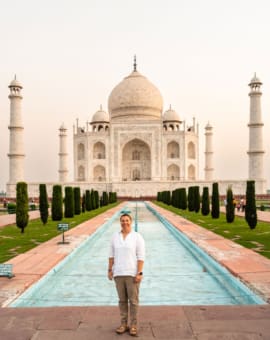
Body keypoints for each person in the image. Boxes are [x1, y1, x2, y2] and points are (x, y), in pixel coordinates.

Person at [108, 213, 145, 336]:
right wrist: (109, 270)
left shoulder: (137, 237)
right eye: (123, 220)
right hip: (118, 273)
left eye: (127, 220)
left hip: (131, 273)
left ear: (131, 221)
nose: (125, 222)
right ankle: (124, 324)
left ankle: (133, 325)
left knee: (133, 301)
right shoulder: (115, 237)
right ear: (120, 222)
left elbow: (141, 256)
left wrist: (139, 273)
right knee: (122, 301)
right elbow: (111, 255)